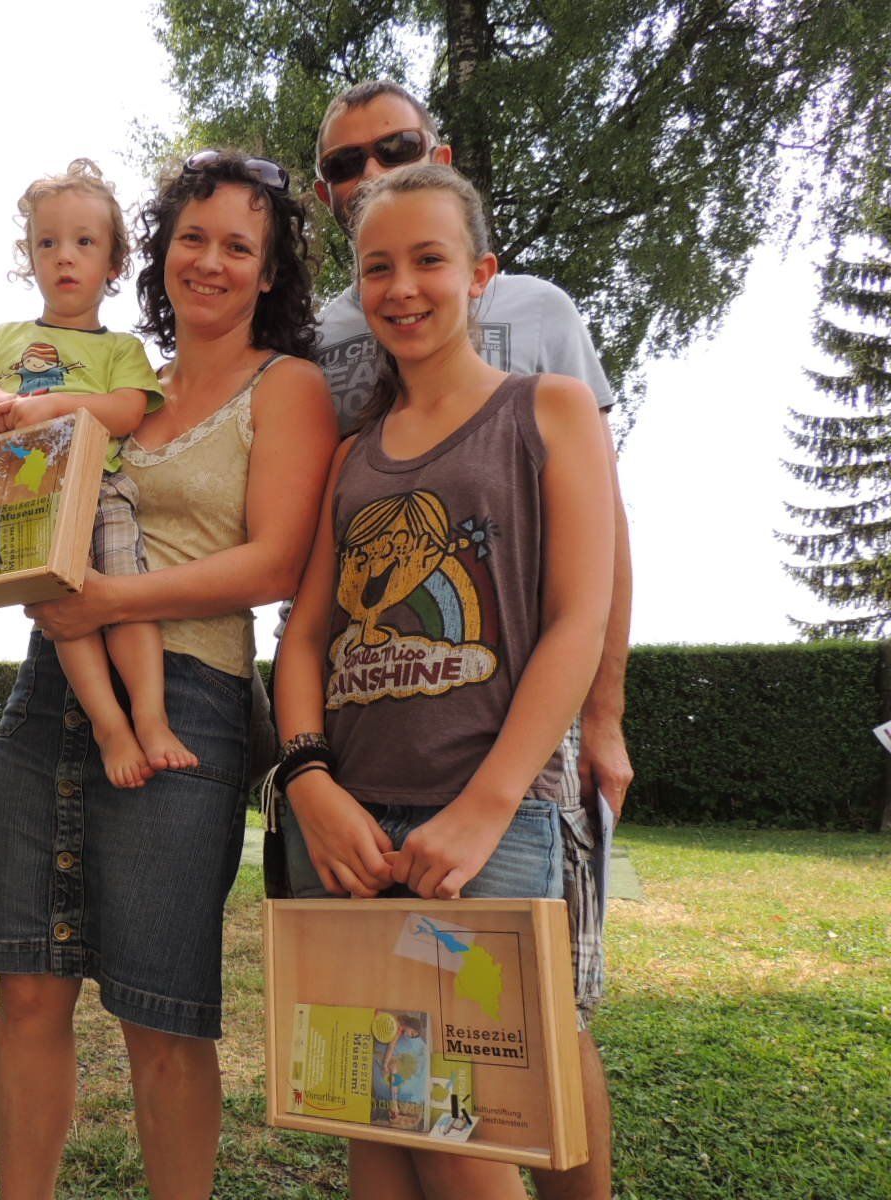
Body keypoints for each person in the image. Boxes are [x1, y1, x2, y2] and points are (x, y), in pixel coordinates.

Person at [0, 150, 338, 1200]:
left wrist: (109, 601)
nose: (208, 261)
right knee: (27, 991)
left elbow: (275, 563)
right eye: (191, 238)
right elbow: (15, 484)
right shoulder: (118, 380)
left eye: (237, 245)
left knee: (158, 1015)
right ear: (158, 251)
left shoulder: (284, 387)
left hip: (188, 700)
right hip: (48, 686)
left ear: (269, 270)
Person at [307, 79, 630, 1200]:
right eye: (378, 267)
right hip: (353, 817)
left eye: (430, 262)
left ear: (481, 276)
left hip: (484, 817)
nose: (402, 287)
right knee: (375, 1118)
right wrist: (304, 778)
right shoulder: (351, 453)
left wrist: (501, 795)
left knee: (470, 1124)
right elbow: (309, 630)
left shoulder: (549, 407)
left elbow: (577, 612)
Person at [0, 159, 192, 788]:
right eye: (48, 243)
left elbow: (129, 410)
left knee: (125, 594)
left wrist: (57, 404)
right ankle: (112, 729)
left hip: (99, 485)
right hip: (28, 490)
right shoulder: (5, 337)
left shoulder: (118, 350)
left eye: (84, 242)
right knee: (63, 607)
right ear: (28, 257)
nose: (64, 257)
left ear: (112, 265)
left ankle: (152, 718)